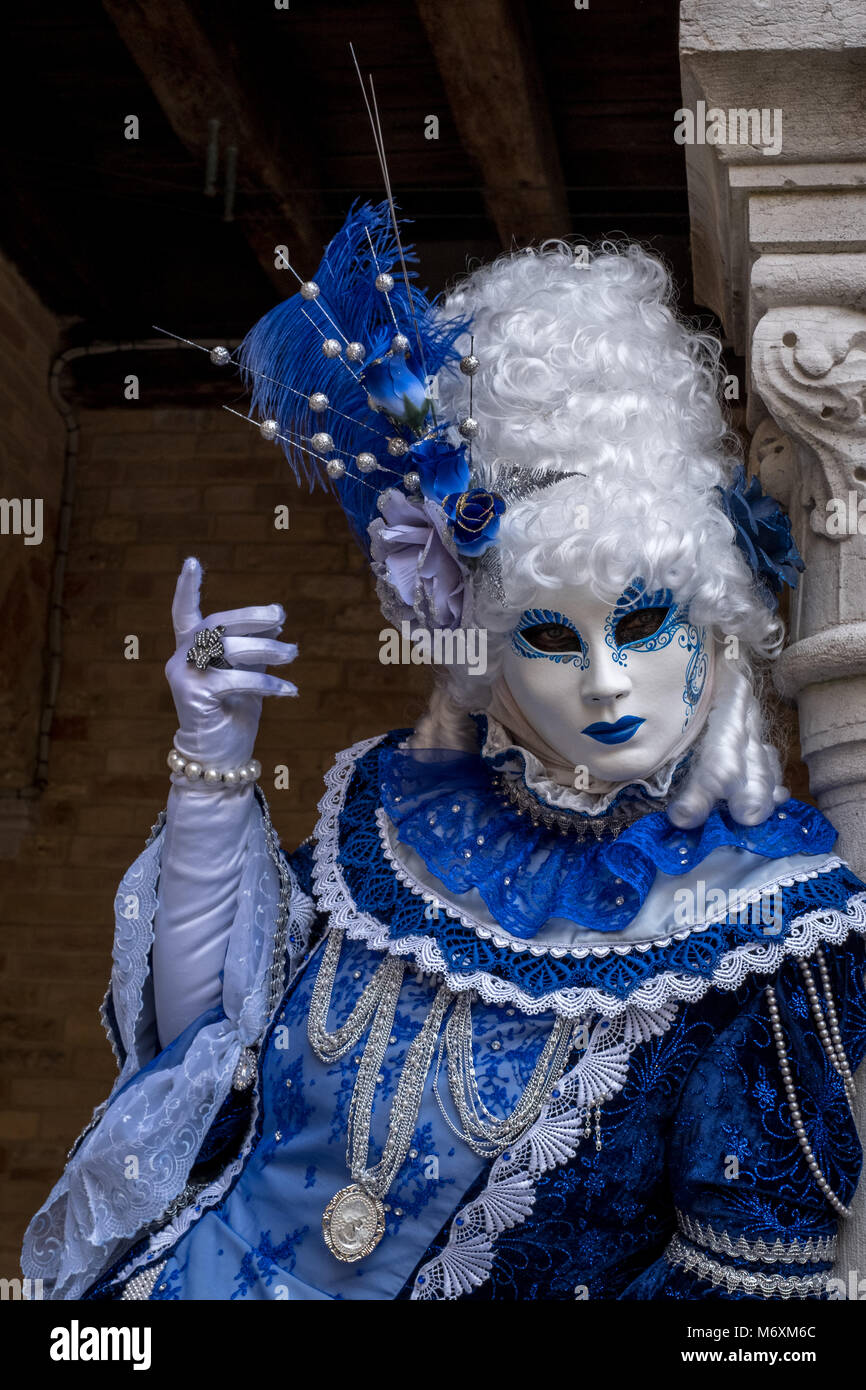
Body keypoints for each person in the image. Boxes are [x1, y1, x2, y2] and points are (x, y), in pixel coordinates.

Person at [22, 205, 866, 1301]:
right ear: (486, 656)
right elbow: (194, 1054)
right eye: (552, 637)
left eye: (646, 622)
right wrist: (211, 760)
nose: (606, 682)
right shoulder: (385, 821)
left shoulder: (772, 924)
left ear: (713, 618)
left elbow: (745, 1301)